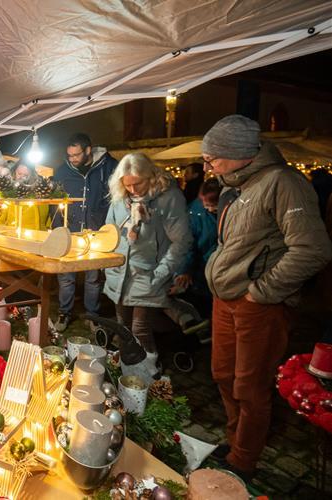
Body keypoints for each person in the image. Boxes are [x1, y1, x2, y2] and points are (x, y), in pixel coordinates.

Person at [201, 115, 332, 479]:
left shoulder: (283, 183)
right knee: (223, 375)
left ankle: (243, 460)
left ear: (241, 154)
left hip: (259, 305)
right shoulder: (235, 184)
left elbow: (313, 249)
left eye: (213, 158)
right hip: (226, 298)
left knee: (250, 384)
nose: (208, 166)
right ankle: (236, 441)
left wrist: (262, 291)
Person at [103, 153, 192, 360]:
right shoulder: (120, 198)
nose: (133, 190)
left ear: (150, 176)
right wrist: (106, 263)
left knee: (140, 328)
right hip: (119, 270)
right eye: (128, 185)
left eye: (138, 184)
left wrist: (160, 273)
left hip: (148, 272)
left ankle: (148, 375)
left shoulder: (168, 198)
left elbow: (182, 240)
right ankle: (126, 368)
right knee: (122, 325)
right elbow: (109, 231)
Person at [50, 133, 118, 331]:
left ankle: (92, 315)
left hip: (96, 231)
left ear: (88, 150)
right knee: (66, 276)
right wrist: (56, 228)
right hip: (68, 231)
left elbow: (115, 198)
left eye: (76, 155)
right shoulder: (62, 171)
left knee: (93, 277)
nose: (72, 159)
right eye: (69, 155)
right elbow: (55, 201)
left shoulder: (109, 167)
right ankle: (64, 313)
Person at [172, 178, 221, 318]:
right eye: (207, 206)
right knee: (204, 303)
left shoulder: (228, 209)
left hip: (217, 265)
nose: (210, 209)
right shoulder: (194, 213)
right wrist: (185, 269)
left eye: (214, 206)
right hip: (202, 266)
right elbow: (188, 243)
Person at [0, 161, 50, 231]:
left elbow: (45, 222)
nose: (21, 177)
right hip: (13, 237)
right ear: (14, 173)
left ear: (31, 176)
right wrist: (6, 231)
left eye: (25, 175)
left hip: (35, 237)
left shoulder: (39, 195)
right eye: (19, 174)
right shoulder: (9, 195)